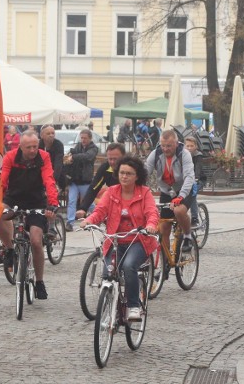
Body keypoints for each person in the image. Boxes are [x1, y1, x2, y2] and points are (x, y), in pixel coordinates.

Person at [80, 155, 159, 321]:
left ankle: (133, 306)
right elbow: (100, 211)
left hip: (138, 240)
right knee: (108, 273)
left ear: (137, 176)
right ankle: (112, 308)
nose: (124, 176)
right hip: (114, 240)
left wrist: (150, 226)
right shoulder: (111, 191)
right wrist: (89, 220)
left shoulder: (144, 193)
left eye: (129, 173)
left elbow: (152, 212)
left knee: (129, 267)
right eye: (122, 173)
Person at [0, 131, 58, 298]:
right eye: (28, 147)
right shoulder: (10, 157)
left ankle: (39, 282)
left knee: (36, 241)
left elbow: (49, 180)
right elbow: (3, 181)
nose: (32, 150)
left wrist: (52, 203)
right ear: (20, 146)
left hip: (36, 201)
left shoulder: (43, 157)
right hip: (13, 198)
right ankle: (9, 249)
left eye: (35, 146)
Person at [144, 129, 196, 254]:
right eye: (163, 145)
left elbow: (189, 176)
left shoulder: (184, 154)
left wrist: (181, 196)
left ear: (176, 144)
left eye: (169, 146)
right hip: (167, 191)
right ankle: (165, 265)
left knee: (179, 211)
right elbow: (145, 172)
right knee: (163, 228)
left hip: (185, 189)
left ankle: (188, 236)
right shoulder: (155, 154)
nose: (165, 149)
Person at [75, 143, 126, 219]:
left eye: (115, 159)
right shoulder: (105, 168)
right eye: (110, 159)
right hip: (115, 203)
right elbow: (94, 188)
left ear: (123, 157)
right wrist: (83, 208)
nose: (112, 162)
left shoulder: (132, 167)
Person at [64, 129, 98, 231]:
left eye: (85, 138)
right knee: (71, 201)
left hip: (85, 180)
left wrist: (73, 157)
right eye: (81, 138)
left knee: (90, 202)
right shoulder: (77, 146)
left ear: (90, 138)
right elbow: (71, 155)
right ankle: (70, 223)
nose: (83, 140)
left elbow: (88, 157)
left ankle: (100, 217)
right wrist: (69, 156)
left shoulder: (93, 148)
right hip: (74, 180)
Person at [184, 136, 205, 226]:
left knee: (192, 193)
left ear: (195, 146)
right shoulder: (182, 155)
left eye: (191, 146)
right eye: (187, 146)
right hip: (185, 180)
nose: (189, 148)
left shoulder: (198, 155)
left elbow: (198, 168)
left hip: (199, 180)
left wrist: (196, 178)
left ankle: (195, 218)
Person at [39, 124, 65, 188]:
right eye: (48, 133)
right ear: (42, 136)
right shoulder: (38, 144)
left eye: (53, 133)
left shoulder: (59, 144)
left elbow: (58, 163)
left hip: (55, 172)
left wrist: (54, 179)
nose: (51, 135)